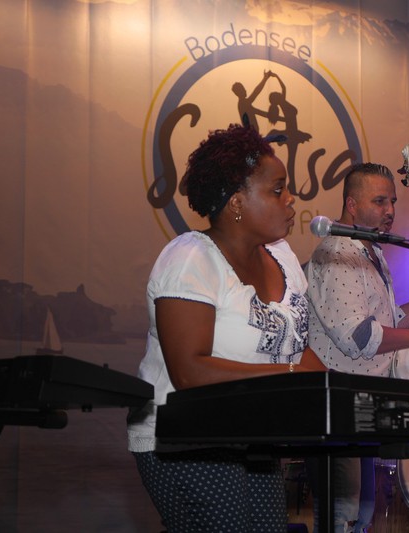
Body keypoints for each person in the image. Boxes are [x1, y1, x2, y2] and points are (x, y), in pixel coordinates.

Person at [126, 124, 326, 532]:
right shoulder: (190, 259)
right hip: (186, 439)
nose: (291, 199)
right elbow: (190, 371)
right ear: (237, 202)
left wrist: (333, 392)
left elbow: (295, 348)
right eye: (277, 190)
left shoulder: (283, 258)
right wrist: (291, 377)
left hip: (252, 434)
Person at [304, 162, 409, 532]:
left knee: (360, 517)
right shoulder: (338, 252)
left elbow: (389, 324)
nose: (390, 210)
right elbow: (360, 337)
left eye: (392, 201)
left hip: (361, 407)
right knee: (342, 518)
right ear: (352, 205)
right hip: (336, 408)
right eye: (379, 201)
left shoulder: (371, 254)